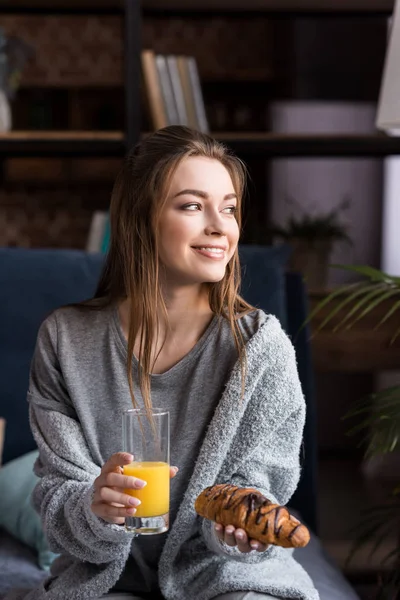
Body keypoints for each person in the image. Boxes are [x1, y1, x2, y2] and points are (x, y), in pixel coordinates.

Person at [5, 126, 319, 600]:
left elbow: (256, 488)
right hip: (104, 575)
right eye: (193, 206)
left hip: (225, 576)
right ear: (140, 218)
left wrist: (234, 532)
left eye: (229, 208)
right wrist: (96, 506)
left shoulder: (262, 348)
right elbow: (57, 497)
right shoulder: (65, 341)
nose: (220, 225)